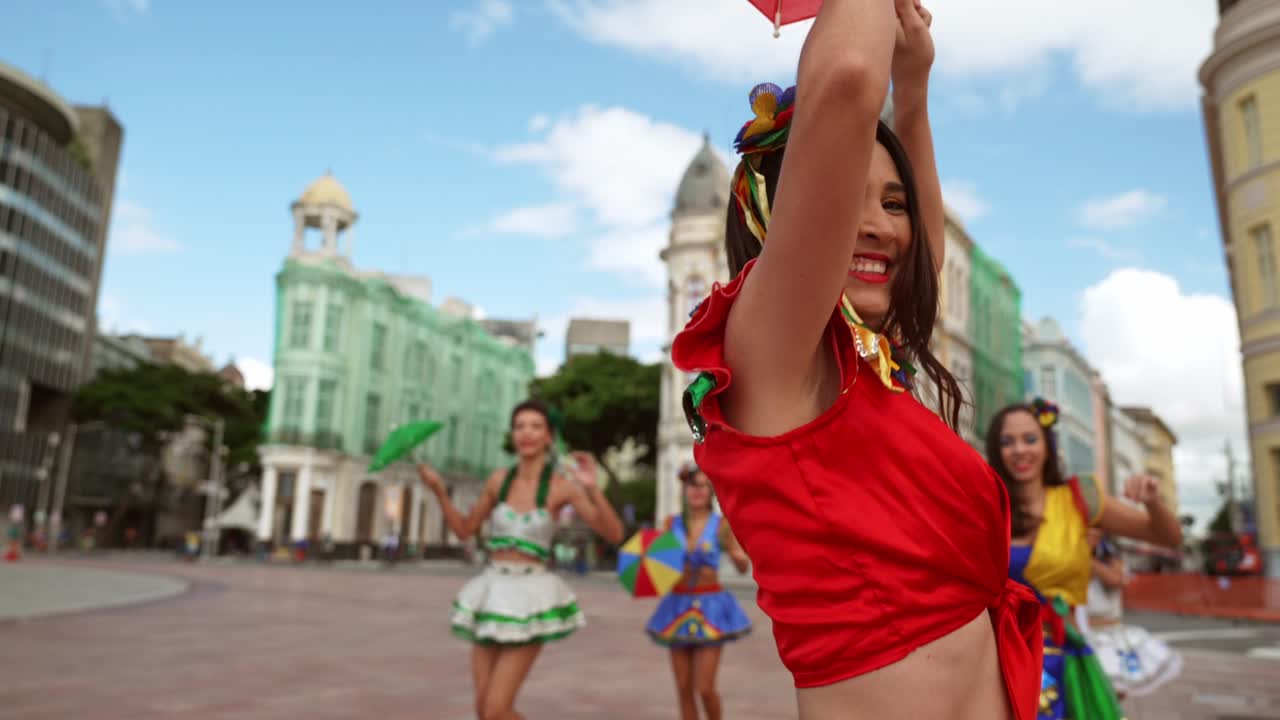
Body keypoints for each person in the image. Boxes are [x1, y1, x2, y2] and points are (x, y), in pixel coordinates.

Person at [671, 1, 1042, 718]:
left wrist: (915, 94)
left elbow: (923, 258)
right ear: (786, 222)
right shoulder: (774, 358)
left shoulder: (870, 367)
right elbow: (843, 81)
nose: (877, 226)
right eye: (849, 203)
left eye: (895, 203)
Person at [417, 399, 624, 720]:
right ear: (513, 434)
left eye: (535, 426)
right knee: (483, 710)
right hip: (491, 591)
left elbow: (613, 533)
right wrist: (440, 492)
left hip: (531, 596)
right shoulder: (498, 480)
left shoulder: (561, 487)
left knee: (496, 709)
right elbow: (464, 530)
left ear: (549, 437)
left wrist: (593, 488)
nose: (526, 433)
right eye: (519, 426)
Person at [987, 399, 1183, 719]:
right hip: (997, 659)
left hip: (1064, 659)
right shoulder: (987, 506)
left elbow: (1168, 537)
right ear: (997, 451)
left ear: (1047, 446)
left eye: (1030, 439)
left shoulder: (1080, 500)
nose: (1020, 450)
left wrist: (1153, 502)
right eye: (1007, 442)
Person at [646, 464, 752, 720]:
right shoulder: (671, 524)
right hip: (677, 605)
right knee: (683, 688)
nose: (697, 490)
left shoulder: (721, 525)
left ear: (711, 491)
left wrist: (738, 556)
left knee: (704, 688)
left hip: (711, 606)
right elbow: (660, 566)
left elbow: (742, 565)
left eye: (704, 485)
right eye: (693, 485)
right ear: (684, 490)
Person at [1080, 532, 1182, 700]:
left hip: (1109, 635)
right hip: (1083, 634)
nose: (1090, 536)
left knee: (1114, 692)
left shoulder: (1112, 561)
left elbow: (1116, 580)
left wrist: (1085, 558)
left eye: (1096, 533)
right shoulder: (1069, 562)